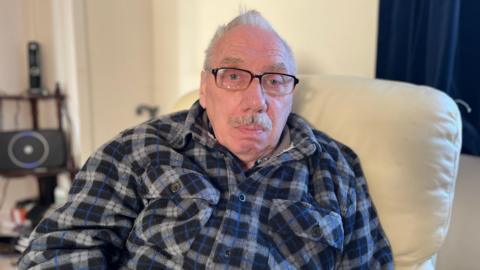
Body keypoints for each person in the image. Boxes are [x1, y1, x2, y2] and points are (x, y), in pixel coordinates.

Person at [18, 10, 393, 269]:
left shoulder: (335, 167)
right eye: (233, 75)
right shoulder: (138, 150)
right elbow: (55, 252)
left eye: (275, 80)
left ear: (291, 93)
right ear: (204, 86)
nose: (256, 100)